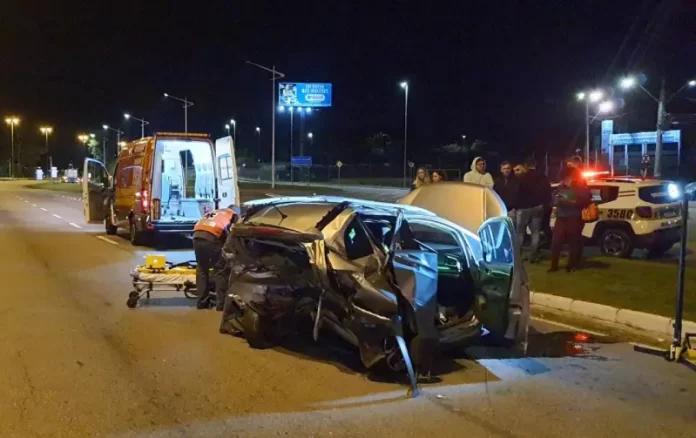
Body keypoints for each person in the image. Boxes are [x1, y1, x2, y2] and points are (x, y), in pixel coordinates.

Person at [193, 206, 238, 310]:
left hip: (197, 235)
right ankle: (221, 305)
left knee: (202, 269)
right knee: (220, 270)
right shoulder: (233, 214)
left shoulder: (217, 212)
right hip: (212, 235)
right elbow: (234, 234)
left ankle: (202, 303)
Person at [549, 167, 591, 273]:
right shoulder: (560, 187)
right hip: (561, 217)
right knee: (556, 242)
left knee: (573, 242)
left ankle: (571, 265)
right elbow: (552, 199)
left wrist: (568, 202)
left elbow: (585, 201)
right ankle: (554, 265)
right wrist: (557, 197)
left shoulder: (581, 188)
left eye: (568, 178)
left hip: (574, 217)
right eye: (565, 178)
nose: (566, 180)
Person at [516, 159, 552, 263]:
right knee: (535, 233)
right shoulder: (543, 177)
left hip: (524, 208)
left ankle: (518, 256)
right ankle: (533, 255)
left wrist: (517, 205)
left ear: (526, 166)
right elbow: (548, 192)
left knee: (520, 233)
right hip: (538, 208)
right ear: (535, 165)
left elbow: (518, 193)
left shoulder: (523, 177)